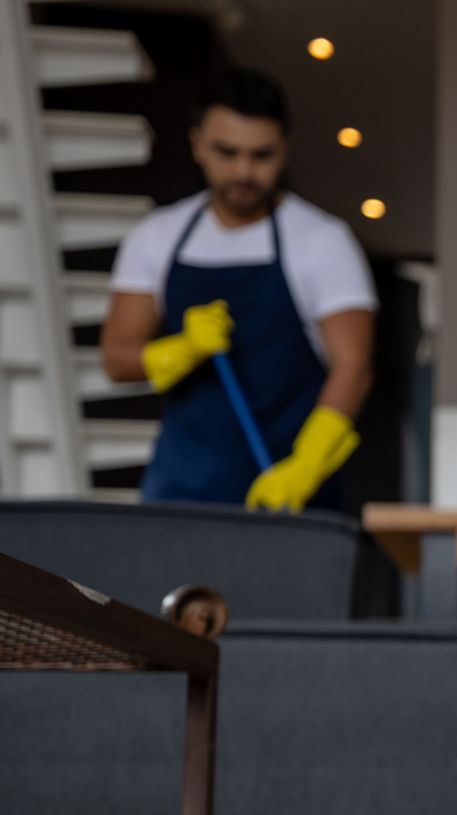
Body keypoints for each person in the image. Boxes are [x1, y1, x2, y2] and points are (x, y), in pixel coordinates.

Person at [101, 67, 375, 511]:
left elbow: (354, 368)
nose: (244, 171)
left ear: (284, 149)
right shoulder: (156, 236)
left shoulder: (322, 240)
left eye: (261, 155)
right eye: (227, 153)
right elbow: (116, 358)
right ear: (197, 146)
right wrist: (183, 349)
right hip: (181, 493)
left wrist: (307, 464)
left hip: (288, 496)